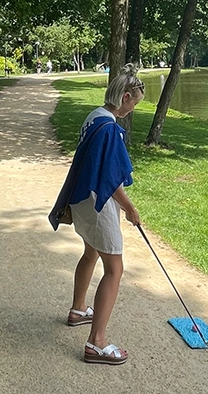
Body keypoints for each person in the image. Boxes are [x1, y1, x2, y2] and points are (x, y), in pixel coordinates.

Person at [49, 64, 144, 365]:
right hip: (98, 202)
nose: (131, 111)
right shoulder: (110, 129)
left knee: (90, 253)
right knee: (114, 268)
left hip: (82, 201)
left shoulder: (95, 116)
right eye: (133, 104)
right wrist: (130, 208)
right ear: (125, 97)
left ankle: (79, 309)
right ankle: (97, 342)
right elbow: (111, 178)